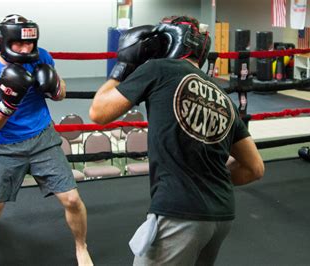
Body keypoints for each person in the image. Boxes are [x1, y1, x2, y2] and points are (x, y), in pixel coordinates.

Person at [89, 16, 264, 265]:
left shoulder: (158, 69)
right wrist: (208, 185)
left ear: (170, 41)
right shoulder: (223, 97)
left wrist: (124, 64)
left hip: (179, 214)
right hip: (221, 215)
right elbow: (255, 168)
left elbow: (98, 112)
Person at [0, 14, 93, 266]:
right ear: (3, 41)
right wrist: (9, 102)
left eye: (30, 43)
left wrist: (54, 86)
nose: (27, 49)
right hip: (6, 147)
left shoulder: (41, 56)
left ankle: (82, 247)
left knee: (72, 199)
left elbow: (60, 93)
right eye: (19, 44)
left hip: (43, 139)